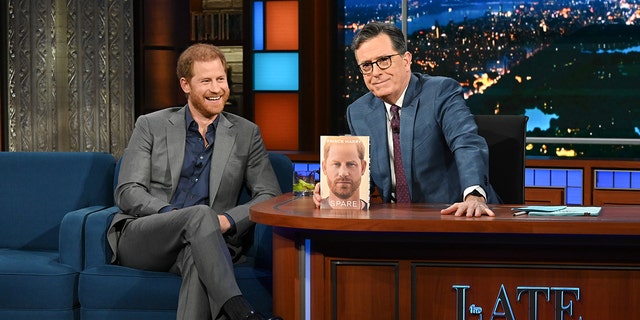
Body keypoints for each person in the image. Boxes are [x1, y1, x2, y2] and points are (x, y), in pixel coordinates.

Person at [107, 43, 282, 320]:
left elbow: (269, 194)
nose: (217, 89)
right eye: (206, 81)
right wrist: (175, 216)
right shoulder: (151, 125)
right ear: (186, 85)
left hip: (210, 240)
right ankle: (241, 311)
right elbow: (128, 191)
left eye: (221, 79)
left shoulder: (246, 133)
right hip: (147, 235)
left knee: (197, 256)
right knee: (199, 215)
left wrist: (225, 221)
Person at [317, 21, 499, 217]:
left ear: (406, 60)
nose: (376, 72)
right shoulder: (358, 112)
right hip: (396, 223)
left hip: (453, 215)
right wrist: (336, 189)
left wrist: (473, 195)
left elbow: (466, 142)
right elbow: (364, 177)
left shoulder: (440, 92)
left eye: (384, 60)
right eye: (366, 66)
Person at [319, 136, 369, 210]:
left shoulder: (375, 212)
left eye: (351, 164)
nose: (343, 173)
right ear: (324, 167)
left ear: (363, 167)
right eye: (336, 164)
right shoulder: (316, 209)